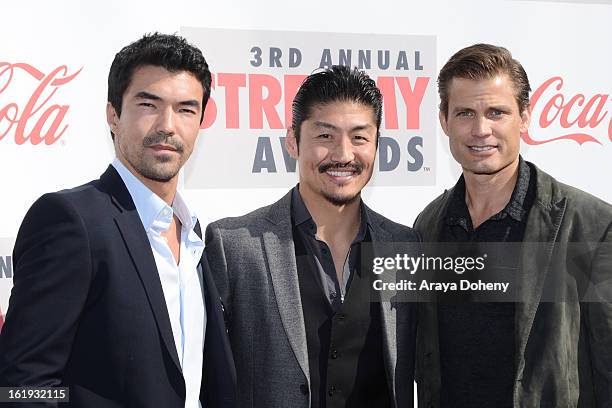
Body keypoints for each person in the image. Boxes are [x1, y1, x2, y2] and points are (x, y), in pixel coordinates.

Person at [0, 33, 235, 408]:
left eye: (186, 109)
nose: (168, 126)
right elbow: (22, 386)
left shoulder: (194, 235)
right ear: (113, 114)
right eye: (148, 104)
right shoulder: (71, 222)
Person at [205, 65, 419, 408]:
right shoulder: (234, 247)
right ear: (293, 141)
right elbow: (209, 379)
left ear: (377, 145)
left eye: (359, 137)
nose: (343, 154)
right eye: (325, 136)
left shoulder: (407, 248)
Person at [414, 43, 612, 407]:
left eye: (496, 112)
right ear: (444, 121)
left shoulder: (592, 226)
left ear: (524, 117)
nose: (481, 129)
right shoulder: (428, 226)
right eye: (465, 114)